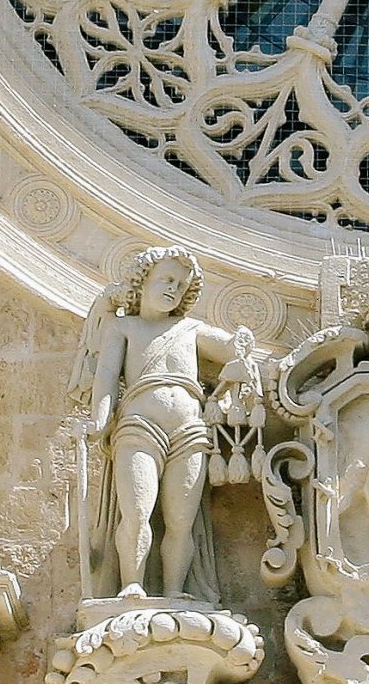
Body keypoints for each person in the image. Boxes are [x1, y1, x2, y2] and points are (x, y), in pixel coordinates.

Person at [79, 246, 256, 600]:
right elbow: (108, 376)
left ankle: (176, 589)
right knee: (137, 511)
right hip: (139, 425)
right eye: (167, 279)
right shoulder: (123, 327)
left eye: (180, 284)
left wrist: (239, 343)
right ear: (143, 282)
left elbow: (227, 348)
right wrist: (99, 420)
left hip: (189, 429)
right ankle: (132, 583)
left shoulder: (190, 329)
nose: (173, 289)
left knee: (181, 522)